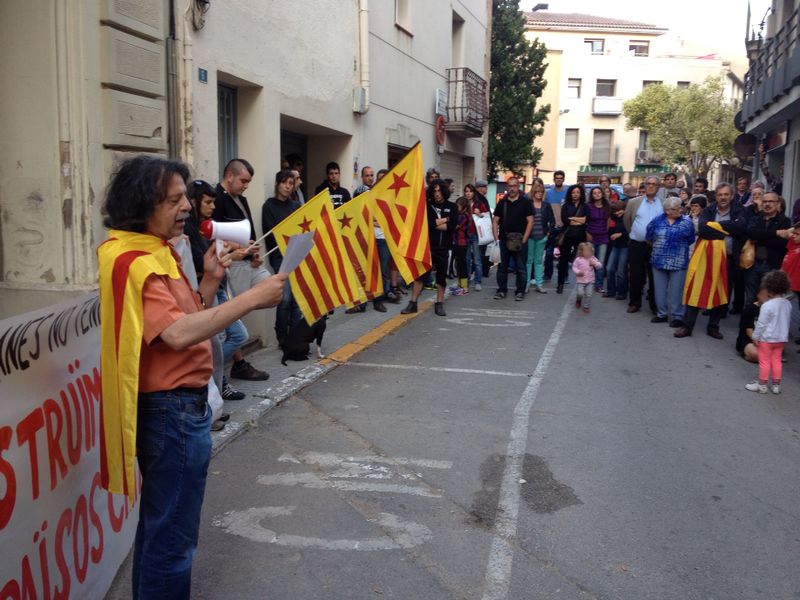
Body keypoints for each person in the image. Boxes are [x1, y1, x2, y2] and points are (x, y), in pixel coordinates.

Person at [98, 156, 286, 599]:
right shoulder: (135, 260)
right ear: (144, 205)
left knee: (162, 530)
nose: (188, 205)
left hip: (177, 410)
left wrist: (208, 281)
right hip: (171, 413)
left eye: (185, 196)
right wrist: (253, 298)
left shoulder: (152, 253)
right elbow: (179, 334)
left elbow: (184, 319)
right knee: (173, 540)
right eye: (175, 198)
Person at [185, 179, 248, 402]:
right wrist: (232, 255)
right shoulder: (187, 232)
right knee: (218, 344)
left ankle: (217, 383)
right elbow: (198, 266)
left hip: (216, 290)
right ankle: (215, 385)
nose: (213, 207)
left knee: (230, 339)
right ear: (194, 202)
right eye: (208, 202)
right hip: (206, 293)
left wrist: (231, 249)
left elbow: (213, 259)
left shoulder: (203, 228)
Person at [212, 159, 272, 381]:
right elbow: (214, 234)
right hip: (231, 263)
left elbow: (249, 231)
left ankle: (233, 364)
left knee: (272, 288)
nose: (246, 185)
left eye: (248, 182)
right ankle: (231, 365)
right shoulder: (216, 198)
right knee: (234, 315)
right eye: (243, 180)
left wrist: (254, 252)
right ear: (230, 175)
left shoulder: (242, 199)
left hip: (248, 261)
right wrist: (238, 249)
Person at [674, 192, 741, 340]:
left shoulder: (739, 210)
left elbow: (740, 228)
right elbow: (703, 229)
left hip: (728, 258)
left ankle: (713, 327)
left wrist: (715, 226)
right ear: (716, 197)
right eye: (720, 195)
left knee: (722, 292)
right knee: (696, 289)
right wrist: (727, 230)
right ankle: (687, 326)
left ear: (731, 196)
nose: (723, 197)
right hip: (705, 256)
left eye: (726, 194)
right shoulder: (708, 210)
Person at [400, 179, 456, 316]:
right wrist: (445, 219)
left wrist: (441, 223)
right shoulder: (426, 206)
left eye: (439, 191)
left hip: (443, 248)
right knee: (420, 276)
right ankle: (412, 303)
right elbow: (427, 224)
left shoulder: (452, 206)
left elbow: (452, 226)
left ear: (444, 191)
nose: (437, 194)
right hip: (427, 248)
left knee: (441, 278)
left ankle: (439, 303)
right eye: (435, 191)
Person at [261, 170, 304, 345]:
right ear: (277, 184)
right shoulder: (269, 206)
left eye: (291, 183)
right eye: (284, 182)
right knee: (284, 299)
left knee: (297, 301)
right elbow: (270, 233)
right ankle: (282, 336)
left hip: (296, 255)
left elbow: (303, 229)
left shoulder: (295, 206)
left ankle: (295, 335)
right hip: (279, 257)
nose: (287, 186)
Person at [646, 197, 695, 327]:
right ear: (667, 211)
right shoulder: (656, 221)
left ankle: (677, 316)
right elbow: (649, 237)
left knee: (677, 290)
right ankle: (661, 314)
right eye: (676, 208)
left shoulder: (687, 222)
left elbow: (690, 239)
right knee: (659, 290)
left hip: (678, 262)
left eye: (681, 207)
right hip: (658, 260)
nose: (680, 210)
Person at [745, 270, 792, 394]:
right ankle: (776, 385)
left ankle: (762, 385)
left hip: (767, 339)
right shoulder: (787, 304)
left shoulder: (767, 305)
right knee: (776, 361)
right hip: (781, 339)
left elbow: (761, 324)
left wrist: (756, 336)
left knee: (764, 361)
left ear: (769, 287)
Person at [623, 175, 663, 313]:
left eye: (654, 184)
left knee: (655, 276)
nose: (651, 186)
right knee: (636, 274)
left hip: (656, 246)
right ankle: (634, 302)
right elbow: (627, 221)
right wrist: (636, 233)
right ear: (644, 186)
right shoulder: (634, 202)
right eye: (648, 183)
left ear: (658, 187)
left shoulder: (663, 204)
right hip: (637, 244)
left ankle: (655, 305)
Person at [745, 191, 792, 304]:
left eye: (771, 201)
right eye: (765, 201)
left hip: (772, 265)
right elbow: (751, 233)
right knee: (750, 298)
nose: (767, 204)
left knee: (768, 299)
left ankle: (762, 321)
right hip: (753, 264)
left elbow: (781, 243)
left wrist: (760, 237)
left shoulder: (785, 221)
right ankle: (748, 321)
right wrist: (775, 233)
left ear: (778, 204)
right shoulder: (756, 219)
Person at [493, 176, 533, 300]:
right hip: (504, 240)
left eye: (514, 185)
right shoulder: (502, 202)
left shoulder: (525, 202)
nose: (512, 188)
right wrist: (496, 239)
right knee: (502, 267)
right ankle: (501, 290)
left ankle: (520, 291)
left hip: (520, 240)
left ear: (518, 187)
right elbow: (495, 221)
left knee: (521, 268)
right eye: (510, 186)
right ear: (507, 187)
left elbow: (530, 221)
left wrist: (525, 239)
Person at [556, 184, 587, 294]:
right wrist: (579, 220)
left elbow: (586, 220)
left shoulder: (585, 206)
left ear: (581, 193)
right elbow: (566, 221)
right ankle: (560, 284)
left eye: (577, 192)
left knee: (583, 261)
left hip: (581, 236)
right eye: (573, 192)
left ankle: (583, 284)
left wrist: (574, 219)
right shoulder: (566, 206)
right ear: (570, 193)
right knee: (563, 260)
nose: (575, 194)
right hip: (567, 235)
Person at [526, 179, 555, 293]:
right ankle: (526, 284)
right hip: (529, 236)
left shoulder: (546, 205)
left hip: (541, 237)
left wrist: (547, 234)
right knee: (528, 261)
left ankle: (539, 284)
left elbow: (552, 221)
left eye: (541, 192)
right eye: (537, 191)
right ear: (533, 192)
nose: (540, 193)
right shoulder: (528, 204)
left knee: (538, 261)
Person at [465, 183, 489, 291]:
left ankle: (478, 281)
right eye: (466, 191)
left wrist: (480, 214)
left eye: (470, 191)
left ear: (474, 192)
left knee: (477, 259)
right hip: (464, 234)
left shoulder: (479, 204)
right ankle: (467, 279)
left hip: (476, 234)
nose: (468, 193)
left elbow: (487, 217)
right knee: (466, 259)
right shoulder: (463, 203)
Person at [544, 170, 568, 280]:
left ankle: (564, 276)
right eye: (557, 178)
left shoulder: (568, 192)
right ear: (554, 179)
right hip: (552, 227)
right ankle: (548, 275)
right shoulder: (548, 193)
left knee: (564, 253)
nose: (559, 179)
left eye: (560, 178)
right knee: (549, 253)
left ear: (563, 179)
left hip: (564, 227)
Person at [585, 186, 610, 292]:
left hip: (603, 237)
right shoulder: (588, 206)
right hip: (591, 236)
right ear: (592, 195)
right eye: (594, 193)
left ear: (602, 194)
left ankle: (599, 285)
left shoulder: (607, 206)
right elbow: (585, 221)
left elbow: (608, 221)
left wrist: (605, 232)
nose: (597, 194)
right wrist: (587, 233)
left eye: (599, 192)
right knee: (589, 261)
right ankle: (588, 282)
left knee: (600, 262)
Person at [604, 201, 628, 300]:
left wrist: (621, 234)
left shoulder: (627, 218)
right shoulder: (613, 218)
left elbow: (631, 231)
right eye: (615, 211)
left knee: (621, 271)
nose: (617, 213)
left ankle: (621, 292)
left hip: (625, 246)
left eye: (619, 210)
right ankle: (611, 290)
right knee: (609, 268)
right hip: (615, 245)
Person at [780, 223, 800, 344]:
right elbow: (788, 232)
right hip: (787, 283)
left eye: (797, 234)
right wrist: (795, 230)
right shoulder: (794, 243)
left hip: (795, 284)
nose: (793, 236)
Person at [571, 242, 603, 313]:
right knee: (580, 293)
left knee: (589, 294)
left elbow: (600, 265)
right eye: (585, 251)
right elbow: (574, 267)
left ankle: (586, 306)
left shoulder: (593, 258)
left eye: (589, 251)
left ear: (592, 251)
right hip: (581, 280)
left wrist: (595, 264)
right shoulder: (578, 259)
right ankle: (578, 300)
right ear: (581, 251)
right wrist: (578, 272)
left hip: (590, 280)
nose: (587, 253)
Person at [737, 288, 766, 363]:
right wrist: (757, 342)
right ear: (758, 295)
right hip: (749, 339)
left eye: (769, 297)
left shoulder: (771, 310)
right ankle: (748, 355)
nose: (766, 299)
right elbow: (749, 330)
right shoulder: (750, 308)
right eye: (764, 296)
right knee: (756, 354)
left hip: (764, 340)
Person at [451, 196, 472, 295]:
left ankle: (464, 287)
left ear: (464, 207)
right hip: (457, 243)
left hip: (462, 243)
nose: (456, 209)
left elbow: (455, 226)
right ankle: (460, 285)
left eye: (458, 207)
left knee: (462, 265)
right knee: (458, 264)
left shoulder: (464, 216)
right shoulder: (461, 215)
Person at [475, 179, 493, 279]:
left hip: (482, 228)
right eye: (485, 187)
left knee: (484, 250)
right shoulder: (479, 199)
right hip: (482, 229)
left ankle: (483, 270)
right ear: (480, 188)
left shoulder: (481, 198)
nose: (486, 189)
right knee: (483, 251)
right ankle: (483, 271)